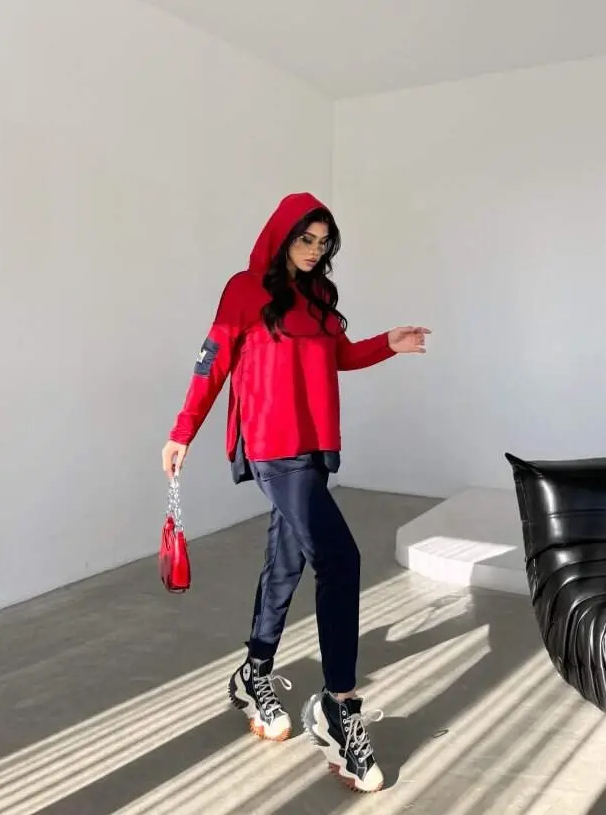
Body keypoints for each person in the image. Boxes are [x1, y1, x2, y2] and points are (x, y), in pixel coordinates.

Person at [162, 193, 430, 793]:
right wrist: (183, 431)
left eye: (322, 242)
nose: (313, 250)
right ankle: (339, 707)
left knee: (287, 561)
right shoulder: (244, 291)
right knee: (341, 558)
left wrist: (388, 343)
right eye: (304, 239)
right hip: (271, 448)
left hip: (314, 447)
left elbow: (336, 357)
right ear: (282, 236)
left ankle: (253, 673)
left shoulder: (321, 296)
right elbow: (212, 363)